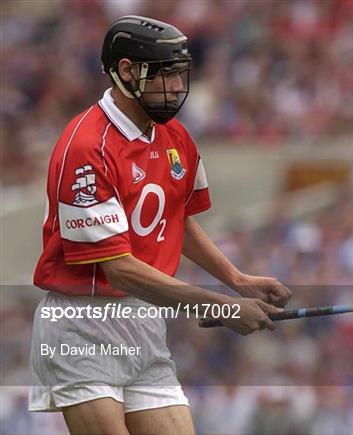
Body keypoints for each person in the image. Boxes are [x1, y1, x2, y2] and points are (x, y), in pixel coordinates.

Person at [29, 15, 292, 435]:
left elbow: (176, 219)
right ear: (127, 71)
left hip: (142, 321)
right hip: (81, 326)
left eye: (179, 75)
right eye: (163, 76)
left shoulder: (177, 138)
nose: (175, 88)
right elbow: (119, 268)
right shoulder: (86, 146)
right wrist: (219, 306)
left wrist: (236, 280)